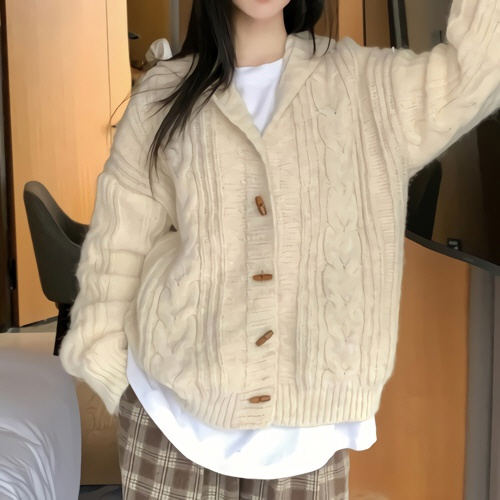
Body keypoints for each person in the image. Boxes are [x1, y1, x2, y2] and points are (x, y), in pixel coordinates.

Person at [59, 0, 500, 498]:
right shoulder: (164, 93)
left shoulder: (367, 85)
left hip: (306, 451)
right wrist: (114, 376)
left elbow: (480, 67)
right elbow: (118, 249)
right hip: (169, 426)